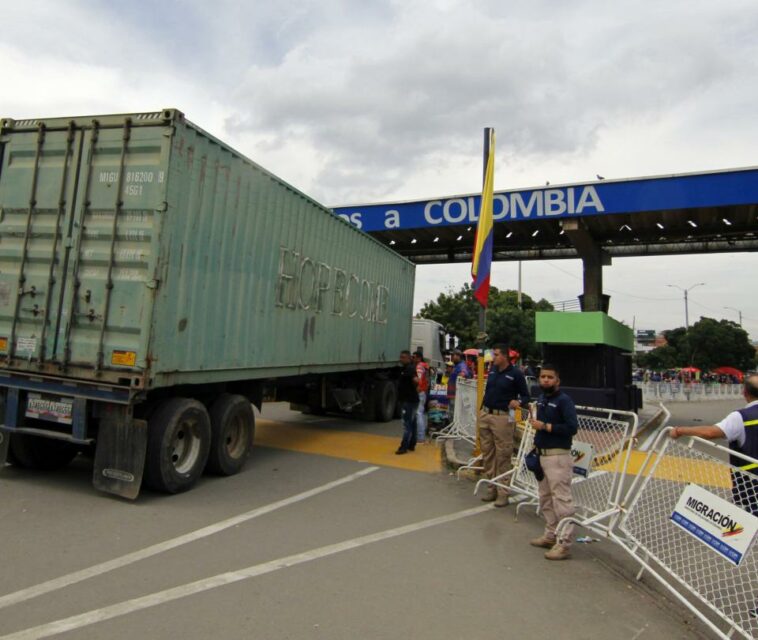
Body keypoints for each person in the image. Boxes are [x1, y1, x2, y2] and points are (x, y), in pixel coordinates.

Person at [670, 374, 758, 517]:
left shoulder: (742, 417)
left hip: (752, 490)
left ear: (745, 393)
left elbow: (711, 432)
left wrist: (679, 430)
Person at [528, 364, 579, 560]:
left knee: (561, 501)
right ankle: (550, 534)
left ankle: (564, 543)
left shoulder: (564, 401)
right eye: (543, 377)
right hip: (542, 454)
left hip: (558, 456)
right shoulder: (541, 399)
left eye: (550, 377)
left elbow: (571, 427)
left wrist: (546, 427)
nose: (545, 380)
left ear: (557, 381)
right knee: (545, 498)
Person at [479, 343, 529, 507]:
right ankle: (491, 487)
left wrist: (518, 404)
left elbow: (526, 397)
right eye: (493, 354)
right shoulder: (492, 370)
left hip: (503, 418)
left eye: (497, 355)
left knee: (503, 455)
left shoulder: (516, 374)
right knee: (488, 454)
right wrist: (481, 411)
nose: (493, 357)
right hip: (486, 414)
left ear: (506, 357)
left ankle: (503, 492)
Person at [396, 350, 419, 455]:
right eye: (401, 357)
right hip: (411, 399)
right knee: (412, 423)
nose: (401, 359)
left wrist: (413, 387)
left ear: (409, 358)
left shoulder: (409, 369)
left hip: (409, 400)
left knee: (407, 424)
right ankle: (412, 444)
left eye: (404, 357)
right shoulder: (407, 368)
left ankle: (403, 446)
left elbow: (416, 380)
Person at [446, 350, 470, 422]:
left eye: (453, 355)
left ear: (458, 356)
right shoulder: (457, 366)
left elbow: (464, 374)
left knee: (453, 415)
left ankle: (454, 431)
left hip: (456, 395)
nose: (452, 357)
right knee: (452, 413)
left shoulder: (461, 365)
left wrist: (460, 376)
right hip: (453, 395)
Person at [413, 351, 430, 443]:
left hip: (419, 391)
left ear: (419, 358)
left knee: (418, 413)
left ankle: (420, 437)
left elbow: (419, 380)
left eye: (414, 357)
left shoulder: (419, 366)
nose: (413, 359)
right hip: (424, 391)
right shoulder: (425, 366)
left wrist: (418, 387)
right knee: (421, 413)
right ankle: (420, 435)